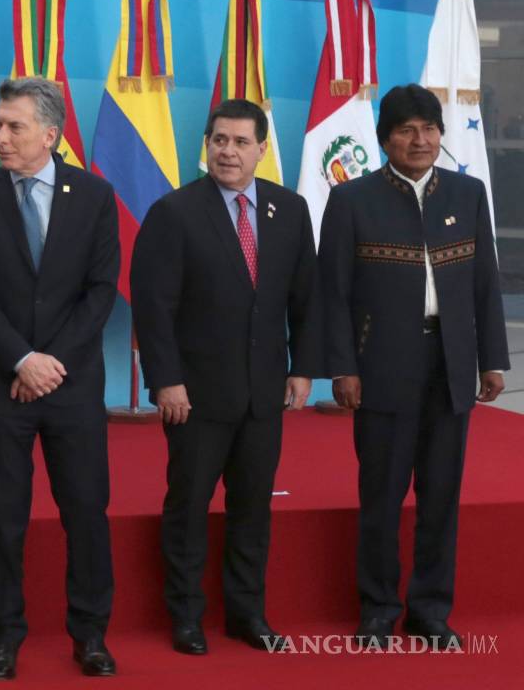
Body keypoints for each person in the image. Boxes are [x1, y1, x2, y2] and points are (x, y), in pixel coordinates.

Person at [318, 84, 509, 650]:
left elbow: (485, 283)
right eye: (406, 130)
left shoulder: (468, 193)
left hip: (451, 365)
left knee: (441, 496)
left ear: (440, 135)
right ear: (385, 140)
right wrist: (342, 368)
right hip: (380, 367)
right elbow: (333, 294)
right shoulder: (351, 200)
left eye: (428, 128)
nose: (420, 139)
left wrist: (493, 359)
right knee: (381, 496)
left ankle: (430, 611)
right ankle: (378, 609)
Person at [131, 99, 321, 656]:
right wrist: (165, 380)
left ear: (262, 149)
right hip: (194, 395)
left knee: (253, 507)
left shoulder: (290, 210)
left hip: (265, 392)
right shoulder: (174, 212)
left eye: (240, 142)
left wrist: (304, 368)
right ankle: (186, 616)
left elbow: (306, 299)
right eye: (219, 140)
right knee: (188, 506)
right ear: (207, 145)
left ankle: (247, 614)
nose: (228, 152)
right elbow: (154, 307)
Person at [0, 77, 120, 680]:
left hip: (72, 385)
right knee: (4, 519)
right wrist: (22, 360)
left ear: (50, 134)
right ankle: (4, 636)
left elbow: (100, 292)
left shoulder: (95, 196)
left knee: (86, 512)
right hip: (1, 385)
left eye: (13, 126)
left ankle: (91, 634)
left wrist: (48, 364)